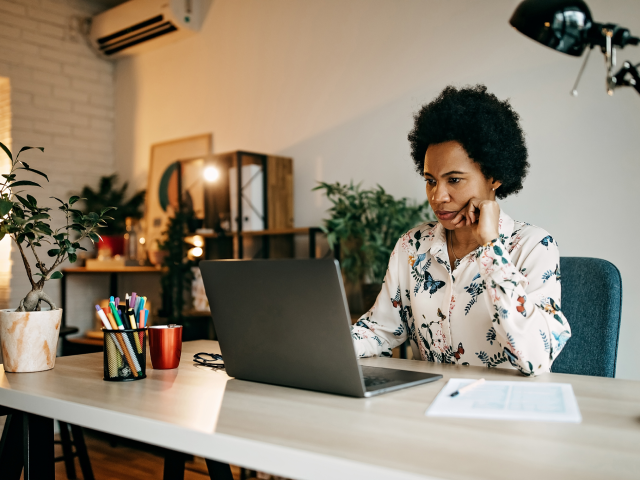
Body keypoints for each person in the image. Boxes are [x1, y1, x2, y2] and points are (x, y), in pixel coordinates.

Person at [351, 85, 570, 376]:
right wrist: (320, 342)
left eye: (454, 180)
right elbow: (380, 330)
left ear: (494, 176)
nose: (437, 196)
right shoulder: (412, 246)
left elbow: (536, 358)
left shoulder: (533, 246)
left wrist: (491, 247)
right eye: (430, 180)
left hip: (505, 410)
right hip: (427, 406)